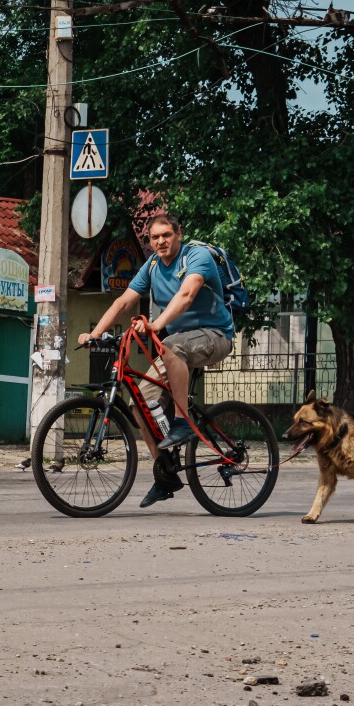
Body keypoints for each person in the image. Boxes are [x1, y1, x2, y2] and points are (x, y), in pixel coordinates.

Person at [80, 212, 235, 507]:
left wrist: (155, 324)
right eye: (154, 237)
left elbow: (187, 294)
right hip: (177, 345)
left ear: (179, 234)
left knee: (172, 346)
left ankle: (183, 421)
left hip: (215, 336)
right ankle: (165, 474)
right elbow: (123, 301)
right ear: (149, 242)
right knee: (140, 404)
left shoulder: (196, 257)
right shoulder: (151, 266)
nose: (161, 241)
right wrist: (94, 334)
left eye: (166, 235)